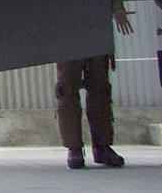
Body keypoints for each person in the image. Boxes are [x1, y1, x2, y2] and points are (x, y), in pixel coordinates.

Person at [55, 10, 134, 169]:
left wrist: (117, 7)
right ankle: (74, 148)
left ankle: (102, 147)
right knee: (67, 89)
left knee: (100, 89)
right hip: (65, 24)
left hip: (95, 20)